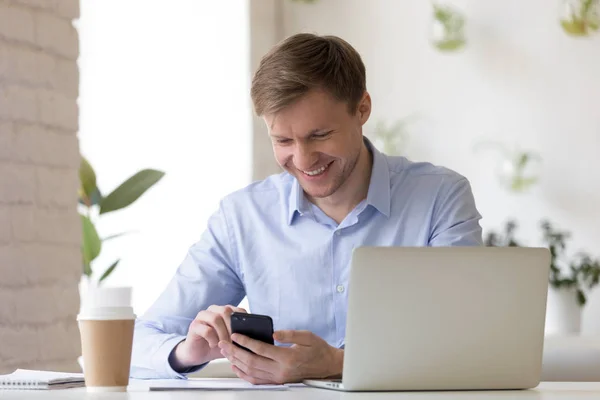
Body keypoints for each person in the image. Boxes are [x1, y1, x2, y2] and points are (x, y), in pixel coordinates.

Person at [130, 33, 483, 384]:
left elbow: (469, 343)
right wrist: (188, 351)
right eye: (283, 140)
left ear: (362, 109)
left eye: (319, 135)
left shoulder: (440, 198)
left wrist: (337, 362)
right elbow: (141, 341)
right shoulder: (243, 217)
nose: (303, 159)